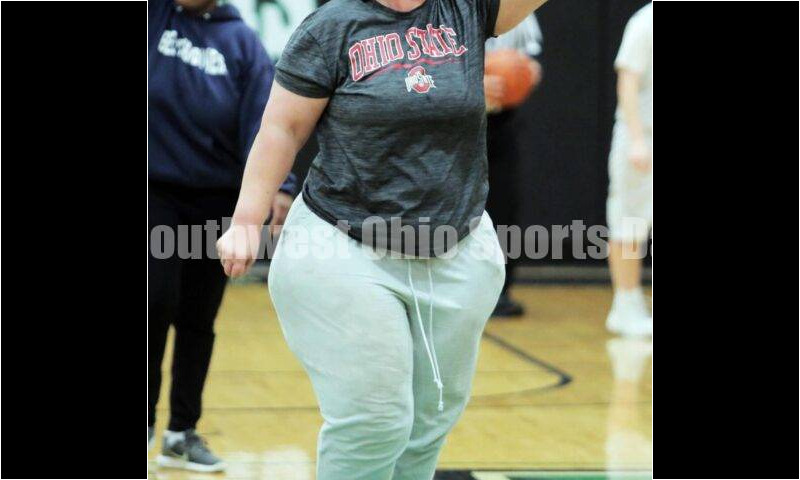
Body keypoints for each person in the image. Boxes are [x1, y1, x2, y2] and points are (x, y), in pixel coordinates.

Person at [216, 0, 548, 478]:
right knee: (376, 420)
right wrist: (246, 221)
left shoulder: (466, 9)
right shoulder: (332, 25)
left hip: (455, 247)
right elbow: (281, 128)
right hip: (345, 244)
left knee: (430, 420)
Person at [148, 0, 297, 471]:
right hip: (156, 191)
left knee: (198, 318)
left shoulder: (242, 42)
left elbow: (266, 122)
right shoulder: (155, 15)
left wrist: (281, 187)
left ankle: (181, 432)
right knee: (155, 300)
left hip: (216, 199)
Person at [483, 13, 543, 317]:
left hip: (502, 122)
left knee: (505, 204)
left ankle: (501, 290)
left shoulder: (520, 11)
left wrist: (520, 76)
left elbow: (532, 62)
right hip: (452, 117)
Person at [605, 2, 652, 337]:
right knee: (630, 221)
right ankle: (625, 304)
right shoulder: (646, 21)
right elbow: (628, 82)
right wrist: (637, 139)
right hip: (643, 137)